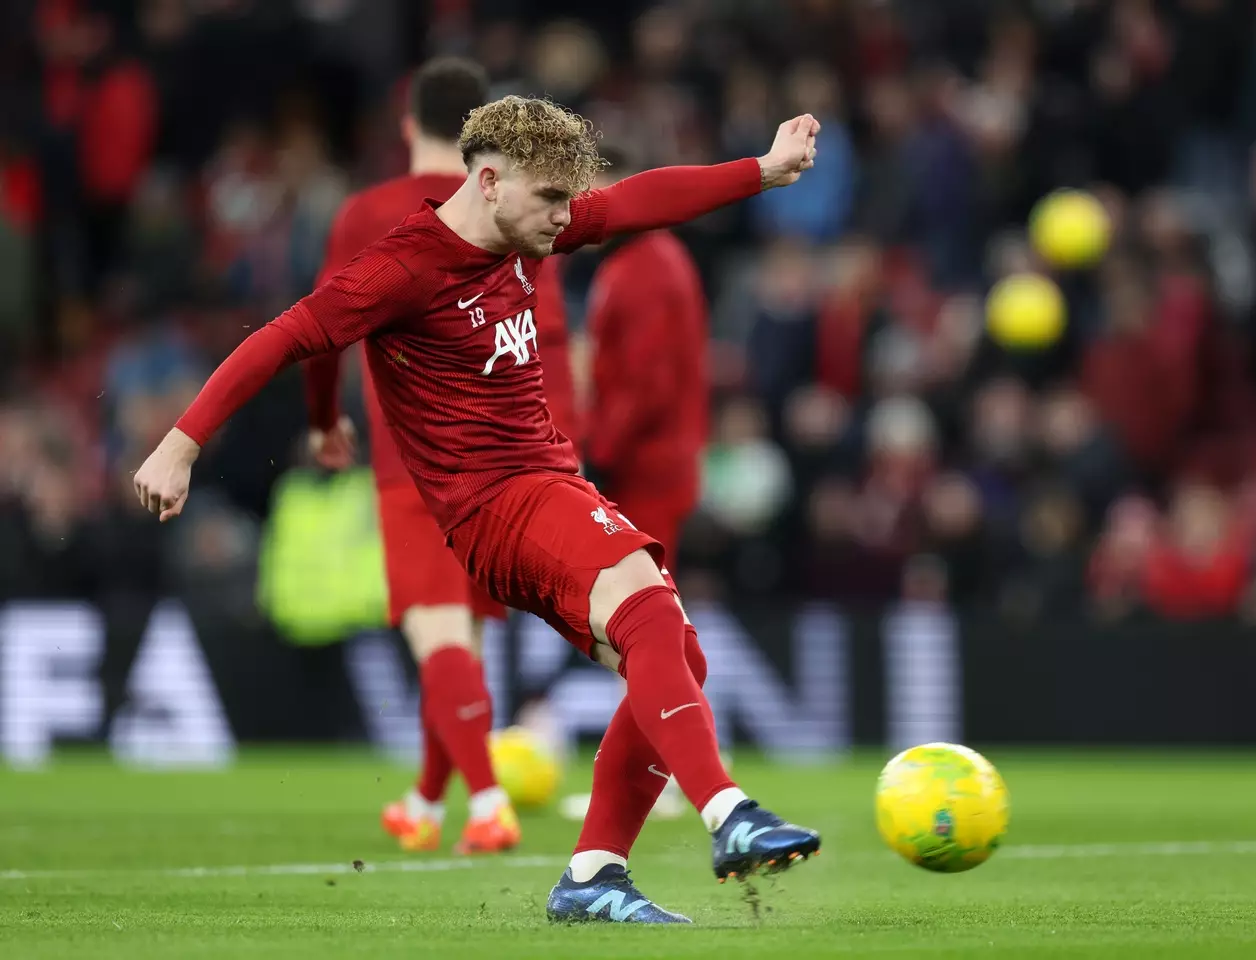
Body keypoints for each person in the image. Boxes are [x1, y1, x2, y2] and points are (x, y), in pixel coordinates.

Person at [133, 95, 823, 925]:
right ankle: (728, 812)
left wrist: (764, 170)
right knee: (643, 599)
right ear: (489, 180)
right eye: (551, 200)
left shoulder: (526, 227)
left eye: (569, 201)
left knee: (675, 657)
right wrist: (182, 442)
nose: (565, 219)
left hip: (542, 487)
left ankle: (594, 874)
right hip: (496, 503)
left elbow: (641, 199)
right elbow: (285, 337)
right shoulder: (403, 269)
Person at [303, 57, 576, 857]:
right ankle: (426, 801)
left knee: (438, 637)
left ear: (407, 125)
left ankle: (488, 801)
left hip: (411, 459)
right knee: (464, 643)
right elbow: (547, 337)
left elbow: (319, 335)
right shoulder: (515, 208)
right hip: (514, 457)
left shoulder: (367, 213)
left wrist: (324, 421)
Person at [567, 144, 713, 823]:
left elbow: (645, 385)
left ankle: (682, 774)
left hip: (645, 468)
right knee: (654, 626)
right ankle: (687, 769)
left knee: (649, 629)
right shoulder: (645, 263)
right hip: (658, 463)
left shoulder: (643, 269)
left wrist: (598, 452)